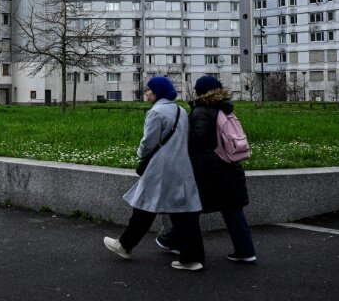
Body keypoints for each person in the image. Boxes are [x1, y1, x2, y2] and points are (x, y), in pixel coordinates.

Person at [103, 77, 205, 271]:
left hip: (160, 168)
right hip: (181, 167)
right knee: (182, 213)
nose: (147, 93)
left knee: (144, 207)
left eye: (149, 90)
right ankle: (192, 257)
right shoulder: (181, 111)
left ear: (158, 92)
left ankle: (124, 245)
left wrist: (140, 155)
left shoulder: (156, 112)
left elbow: (148, 142)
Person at [155, 76, 257, 263]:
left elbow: (197, 140)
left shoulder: (202, 110)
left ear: (200, 91)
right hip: (230, 164)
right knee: (233, 209)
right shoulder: (225, 108)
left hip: (209, 170)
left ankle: (173, 241)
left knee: (190, 208)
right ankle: (246, 250)